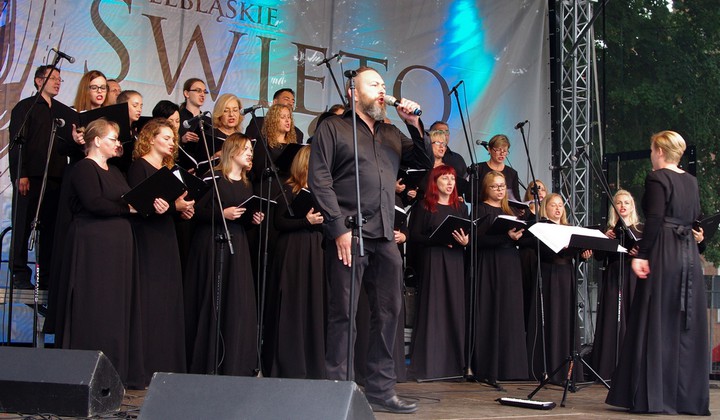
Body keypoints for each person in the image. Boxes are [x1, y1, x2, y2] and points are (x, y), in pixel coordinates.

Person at [308, 66, 432, 414]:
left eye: (383, 85)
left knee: (389, 313)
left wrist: (413, 123)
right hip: (349, 232)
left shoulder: (393, 132)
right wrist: (338, 229)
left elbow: (424, 162)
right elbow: (319, 180)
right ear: (353, 92)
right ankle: (338, 391)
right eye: (373, 84)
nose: (381, 90)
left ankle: (380, 389)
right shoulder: (333, 128)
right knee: (344, 314)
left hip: (384, 235)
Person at [606, 131, 709, 415]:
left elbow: (654, 219)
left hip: (664, 250)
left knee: (655, 317)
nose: (651, 155)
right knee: (681, 319)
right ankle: (682, 397)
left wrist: (644, 255)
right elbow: (694, 215)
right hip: (686, 253)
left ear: (660, 152)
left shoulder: (657, 178)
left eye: (652, 150)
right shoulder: (691, 181)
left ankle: (654, 395)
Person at [57, 118, 144, 388]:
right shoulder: (84, 168)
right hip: (94, 245)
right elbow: (94, 202)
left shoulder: (116, 172)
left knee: (115, 308)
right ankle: (86, 372)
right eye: (113, 139)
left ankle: (115, 373)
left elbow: (130, 199)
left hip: (118, 247)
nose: (118, 144)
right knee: (94, 305)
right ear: (96, 140)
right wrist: (126, 209)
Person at [184, 133, 264, 376]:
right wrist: (223, 214)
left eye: (251, 149)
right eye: (245, 148)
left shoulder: (248, 183)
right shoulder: (215, 177)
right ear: (232, 150)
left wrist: (253, 219)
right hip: (211, 243)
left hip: (237, 245)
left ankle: (235, 361)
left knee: (235, 299)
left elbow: (241, 219)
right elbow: (195, 212)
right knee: (213, 297)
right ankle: (207, 359)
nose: (250, 152)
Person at [128, 118, 193, 384]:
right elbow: (137, 205)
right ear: (151, 138)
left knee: (168, 300)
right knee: (150, 300)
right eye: (166, 137)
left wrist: (184, 209)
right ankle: (146, 365)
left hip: (167, 237)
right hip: (147, 238)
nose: (171, 142)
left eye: (172, 139)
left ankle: (168, 365)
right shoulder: (138, 167)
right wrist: (171, 206)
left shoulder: (171, 171)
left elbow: (171, 208)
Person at [8, 64, 76, 290]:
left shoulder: (62, 112)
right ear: (38, 81)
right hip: (31, 177)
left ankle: (46, 275)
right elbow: (17, 144)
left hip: (55, 178)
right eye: (52, 78)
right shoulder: (26, 108)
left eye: (59, 79)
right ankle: (18, 273)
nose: (57, 82)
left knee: (49, 229)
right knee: (23, 224)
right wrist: (21, 174)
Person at [269, 145, 326, 379]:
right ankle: (291, 361)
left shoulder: (322, 191)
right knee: (294, 300)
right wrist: (306, 220)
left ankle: (314, 359)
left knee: (314, 301)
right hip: (294, 249)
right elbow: (279, 223)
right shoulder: (288, 188)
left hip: (316, 248)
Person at [407, 165, 468, 380]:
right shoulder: (424, 206)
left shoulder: (460, 208)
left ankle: (454, 364)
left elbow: (466, 232)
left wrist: (465, 241)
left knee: (454, 307)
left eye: (452, 178)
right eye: (445, 179)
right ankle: (430, 363)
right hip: (433, 259)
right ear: (435, 182)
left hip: (455, 260)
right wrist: (437, 239)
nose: (450, 183)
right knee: (433, 308)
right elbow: (414, 236)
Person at [470, 170, 529, 384]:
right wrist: (505, 236)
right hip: (489, 263)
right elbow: (475, 241)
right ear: (486, 187)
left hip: (510, 264)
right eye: (495, 186)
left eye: (502, 186)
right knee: (490, 310)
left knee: (509, 312)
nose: (499, 190)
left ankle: (511, 367)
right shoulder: (480, 209)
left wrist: (519, 235)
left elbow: (520, 240)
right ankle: (488, 367)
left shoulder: (511, 210)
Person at [526, 193, 589, 385]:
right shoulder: (540, 227)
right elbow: (540, 251)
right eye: (553, 205)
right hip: (548, 274)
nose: (557, 208)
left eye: (560, 205)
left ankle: (568, 371)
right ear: (546, 208)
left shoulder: (569, 228)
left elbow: (574, 255)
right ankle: (546, 368)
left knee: (565, 320)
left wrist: (584, 254)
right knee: (550, 318)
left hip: (566, 275)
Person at [590, 189, 642, 381]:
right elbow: (599, 257)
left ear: (632, 206)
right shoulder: (610, 229)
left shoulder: (640, 229)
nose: (622, 206)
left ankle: (632, 367)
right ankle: (608, 367)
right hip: (614, 274)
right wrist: (605, 240)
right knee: (613, 317)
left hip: (634, 275)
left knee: (632, 316)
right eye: (619, 203)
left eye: (626, 202)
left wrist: (640, 252)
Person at [476, 134, 520, 201]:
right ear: (489, 150)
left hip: (505, 211)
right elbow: (469, 196)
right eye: (498, 150)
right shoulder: (478, 169)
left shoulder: (512, 173)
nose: (502, 154)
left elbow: (517, 199)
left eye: (505, 151)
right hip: (483, 210)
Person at [177, 78, 207, 170]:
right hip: (180, 166)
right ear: (186, 94)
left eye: (205, 92)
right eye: (198, 91)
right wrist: (181, 140)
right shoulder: (177, 116)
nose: (202, 95)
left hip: (201, 169)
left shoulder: (207, 121)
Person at [110, 89, 143, 173]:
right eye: (135, 105)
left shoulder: (136, 131)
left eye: (141, 106)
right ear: (123, 106)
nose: (139, 109)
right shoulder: (114, 131)